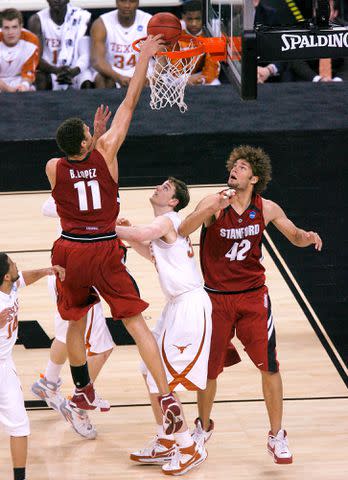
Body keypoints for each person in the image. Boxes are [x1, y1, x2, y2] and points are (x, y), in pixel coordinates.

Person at [45, 34, 184, 440]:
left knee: (73, 320)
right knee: (137, 323)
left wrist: (95, 140)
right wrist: (142, 58)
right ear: (89, 141)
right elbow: (130, 101)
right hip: (105, 248)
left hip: (70, 249)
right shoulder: (105, 150)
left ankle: (83, 389)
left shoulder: (53, 165)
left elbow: (77, 161)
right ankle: (167, 395)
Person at [178, 145, 323, 464]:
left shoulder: (266, 208)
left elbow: (293, 234)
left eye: (243, 167)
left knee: (269, 365)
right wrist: (210, 208)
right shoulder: (214, 202)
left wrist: (307, 236)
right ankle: (202, 428)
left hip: (253, 297)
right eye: (234, 166)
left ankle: (277, 435)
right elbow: (183, 229)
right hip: (215, 298)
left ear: (255, 177)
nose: (235, 170)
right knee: (209, 369)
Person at [115, 177, 211, 475]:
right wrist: (130, 237)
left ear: (174, 201)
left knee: (162, 380)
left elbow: (145, 232)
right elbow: (151, 251)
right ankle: (166, 439)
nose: (159, 187)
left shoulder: (170, 219)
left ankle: (189, 448)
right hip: (174, 307)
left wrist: (103, 228)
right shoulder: (165, 230)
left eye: (166, 188)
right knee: (149, 371)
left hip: (189, 306)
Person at [31, 196, 114, 440]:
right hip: (76, 278)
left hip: (62, 273)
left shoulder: (87, 187)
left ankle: (48, 382)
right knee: (102, 348)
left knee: (66, 336)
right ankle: (78, 407)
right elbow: (47, 207)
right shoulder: (82, 189)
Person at [0, 252, 64, 480]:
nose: (17, 265)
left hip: (4, 367)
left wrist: (47, 271)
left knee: (20, 426)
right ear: (6, 275)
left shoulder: (11, 286)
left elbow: (23, 279)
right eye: (13, 264)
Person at [28, 0, 94, 90]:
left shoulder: (82, 17)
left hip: (76, 69)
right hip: (49, 70)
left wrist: (74, 71)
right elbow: (36, 58)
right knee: (40, 78)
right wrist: (56, 70)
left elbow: (86, 54)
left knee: (87, 82)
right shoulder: (36, 20)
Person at [90, 0, 152, 88]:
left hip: (142, 71)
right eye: (122, 1)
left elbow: (161, 59)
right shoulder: (102, 23)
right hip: (113, 71)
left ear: (138, 2)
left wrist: (152, 77)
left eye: (132, 1)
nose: (127, 5)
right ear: (116, 2)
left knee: (158, 79)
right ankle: (103, 102)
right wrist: (117, 77)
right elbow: (97, 61)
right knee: (101, 78)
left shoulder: (149, 21)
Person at [180, 0, 220, 86]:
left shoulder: (212, 32)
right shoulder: (176, 31)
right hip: (178, 77)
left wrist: (202, 79)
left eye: (197, 19)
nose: (194, 23)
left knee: (215, 84)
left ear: (204, 17)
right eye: (190, 19)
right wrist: (184, 79)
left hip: (201, 74)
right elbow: (171, 64)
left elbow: (213, 63)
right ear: (183, 17)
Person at [0, 9, 39, 93]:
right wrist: (10, 90)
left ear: (21, 26)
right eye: (6, 28)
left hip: (19, 80)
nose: (10, 32)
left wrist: (24, 85)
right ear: (1, 28)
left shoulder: (32, 41)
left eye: (14, 27)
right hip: (1, 82)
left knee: (30, 89)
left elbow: (29, 72)